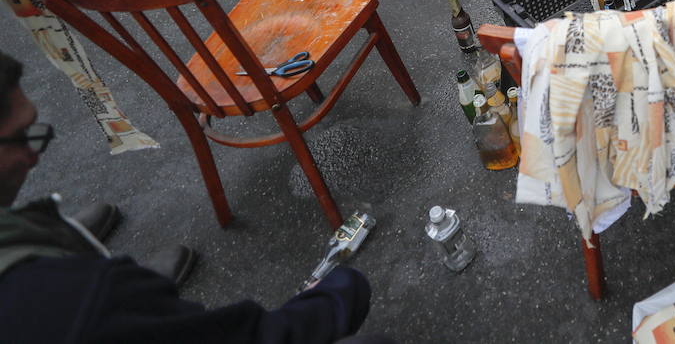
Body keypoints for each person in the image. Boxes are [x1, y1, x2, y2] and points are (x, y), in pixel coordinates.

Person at [0, 50, 386, 342]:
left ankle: (79, 252)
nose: (34, 155)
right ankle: (139, 305)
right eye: (21, 137)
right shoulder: (66, 305)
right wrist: (336, 299)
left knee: (99, 273)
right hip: (88, 304)